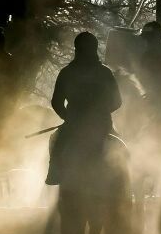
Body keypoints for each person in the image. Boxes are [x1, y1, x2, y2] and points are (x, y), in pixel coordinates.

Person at [46, 32, 122, 185]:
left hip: (74, 125)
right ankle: (123, 183)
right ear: (94, 49)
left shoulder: (66, 72)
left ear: (76, 49)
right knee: (121, 150)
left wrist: (68, 117)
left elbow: (56, 102)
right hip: (103, 124)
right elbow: (117, 102)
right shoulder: (105, 72)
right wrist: (101, 112)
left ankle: (55, 175)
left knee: (57, 143)